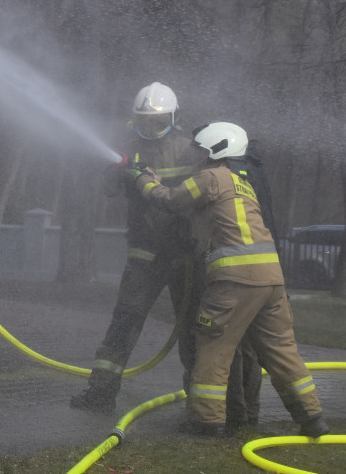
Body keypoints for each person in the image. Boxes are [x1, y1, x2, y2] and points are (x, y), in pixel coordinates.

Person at [122, 121, 329, 438]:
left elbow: (169, 202)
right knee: (282, 352)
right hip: (271, 281)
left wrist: (143, 180)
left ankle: (205, 422)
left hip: (235, 280)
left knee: (214, 347)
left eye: (201, 150)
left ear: (216, 151)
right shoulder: (240, 182)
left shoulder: (208, 177)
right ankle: (313, 418)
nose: (197, 156)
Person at [70, 82, 200, 413]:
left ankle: (202, 403)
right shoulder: (128, 149)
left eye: (159, 122)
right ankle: (100, 394)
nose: (151, 129)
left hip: (186, 254)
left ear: (174, 118)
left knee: (194, 332)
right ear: (135, 120)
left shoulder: (192, 151)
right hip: (145, 253)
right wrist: (116, 171)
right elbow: (109, 191)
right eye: (145, 122)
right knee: (124, 323)